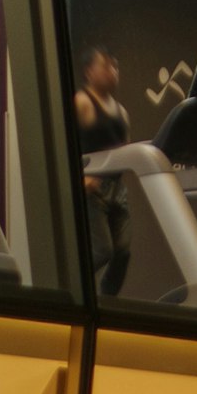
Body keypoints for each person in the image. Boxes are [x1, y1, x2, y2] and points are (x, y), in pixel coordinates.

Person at [70, 48, 132, 291]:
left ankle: (107, 303)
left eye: (115, 67)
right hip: (92, 189)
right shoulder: (82, 102)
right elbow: (65, 144)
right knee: (103, 250)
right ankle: (70, 285)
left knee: (123, 252)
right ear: (89, 72)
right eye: (106, 66)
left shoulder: (121, 111)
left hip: (117, 189)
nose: (113, 72)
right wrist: (80, 178)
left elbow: (126, 148)